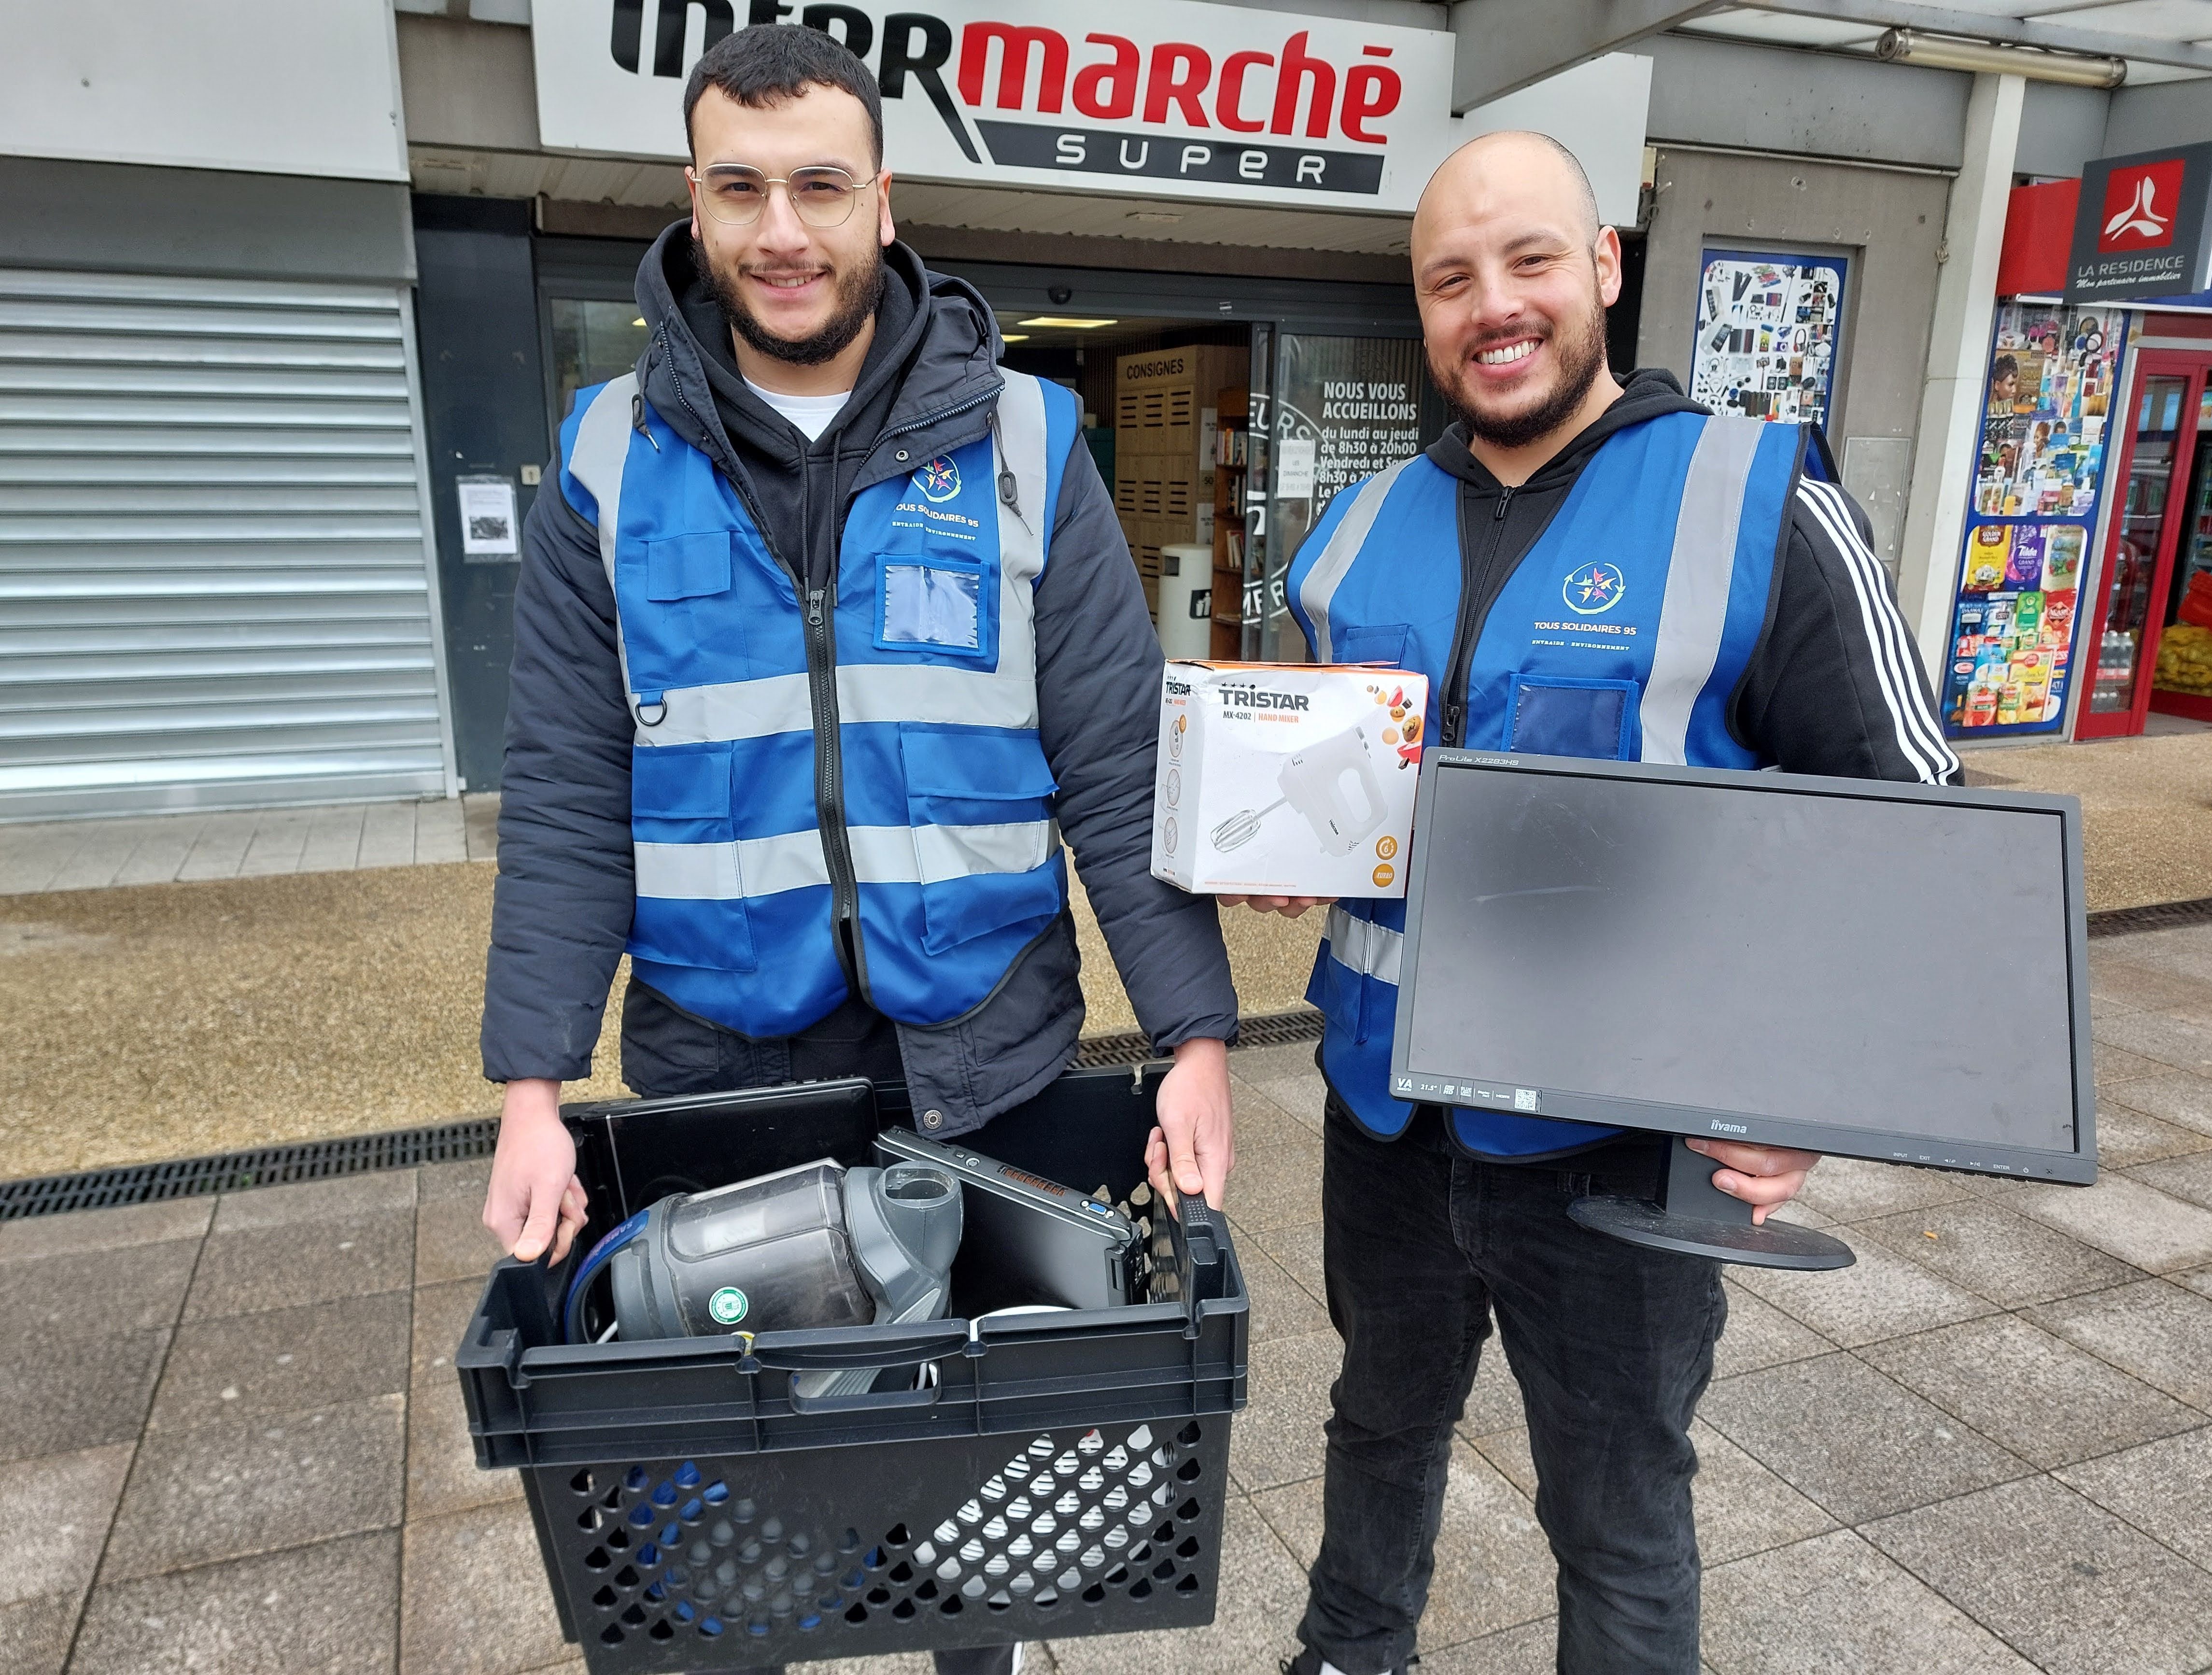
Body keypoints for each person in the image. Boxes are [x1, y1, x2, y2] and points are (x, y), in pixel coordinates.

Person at [476, 26, 1240, 1675]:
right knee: (744, 1497)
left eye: (820, 185)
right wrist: (532, 1088)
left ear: (883, 199)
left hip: (987, 1057)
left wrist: (1195, 1036)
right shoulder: (611, 461)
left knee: (987, 1488)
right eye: (740, 188)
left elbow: (1114, 762)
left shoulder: (1028, 442)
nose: (781, 231)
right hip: (722, 1068)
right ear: (692, 199)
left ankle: (989, 1658)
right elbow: (563, 783)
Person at [1240, 132, 1964, 1675]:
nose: (1492, 306)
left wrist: (1810, 1081)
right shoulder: (1350, 534)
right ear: (1421, 307)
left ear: (1607, 267)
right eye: (1451, 278)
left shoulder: (1756, 500)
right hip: (1384, 1123)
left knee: (1620, 1507)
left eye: (1530, 260)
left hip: (1619, 1151)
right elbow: (1331, 797)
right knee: (1376, 1425)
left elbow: (1914, 836)